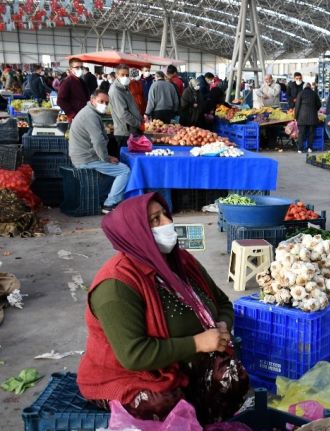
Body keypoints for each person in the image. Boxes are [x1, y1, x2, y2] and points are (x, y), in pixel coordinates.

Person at [77, 193, 249, 424]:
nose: (168, 223)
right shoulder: (116, 286)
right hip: (129, 375)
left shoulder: (182, 261)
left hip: (182, 363)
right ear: (133, 233)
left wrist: (222, 324)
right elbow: (134, 356)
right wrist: (198, 342)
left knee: (232, 376)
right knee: (165, 403)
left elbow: (222, 303)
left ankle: (206, 425)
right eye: (155, 220)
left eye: (165, 215)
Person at [68, 89, 131, 214]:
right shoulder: (90, 116)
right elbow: (98, 141)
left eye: (106, 103)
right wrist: (106, 158)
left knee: (114, 169)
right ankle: (110, 204)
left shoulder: (90, 113)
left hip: (85, 156)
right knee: (124, 170)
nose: (104, 105)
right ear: (92, 100)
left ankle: (105, 198)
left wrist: (106, 157)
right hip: (86, 158)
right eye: (101, 101)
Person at [109, 64, 142, 149]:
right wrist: (138, 124)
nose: (125, 77)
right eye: (122, 75)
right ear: (116, 75)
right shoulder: (115, 91)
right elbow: (123, 114)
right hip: (124, 132)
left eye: (127, 75)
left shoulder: (125, 88)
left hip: (131, 130)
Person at [294, 83, 322, 154]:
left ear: (304, 87)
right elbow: (319, 104)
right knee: (311, 133)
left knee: (301, 133)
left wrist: (296, 117)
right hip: (312, 117)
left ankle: (300, 149)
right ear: (310, 87)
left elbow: (297, 106)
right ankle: (310, 148)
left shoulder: (300, 93)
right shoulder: (314, 94)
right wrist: (315, 109)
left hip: (302, 117)